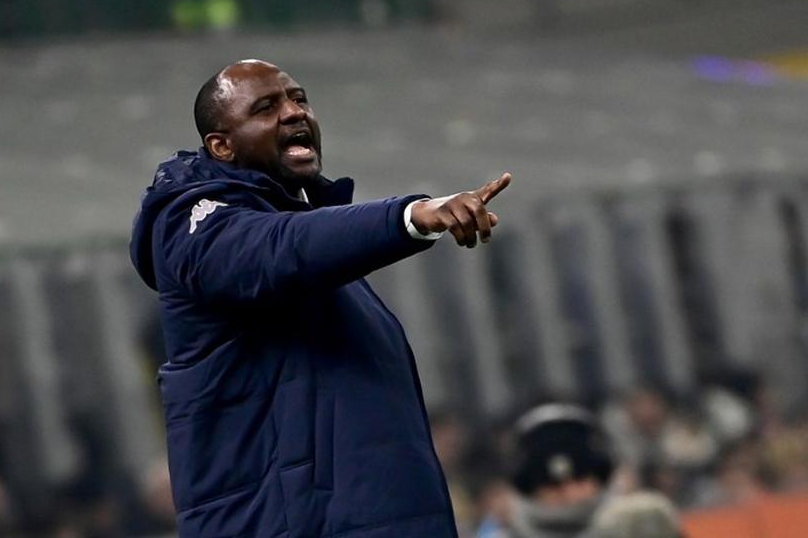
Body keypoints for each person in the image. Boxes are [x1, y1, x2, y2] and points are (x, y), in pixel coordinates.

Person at [129, 59, 511, 537]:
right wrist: (410, 216)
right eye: (266, 108)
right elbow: (277, 249)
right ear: (221, 146)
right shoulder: (193, 225)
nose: (294, 113)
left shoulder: (321, 259)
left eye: (299, 99)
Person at [498, 404, 615, 538]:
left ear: (599, 480)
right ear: (531, 493)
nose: (572, 495)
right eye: (555, 487)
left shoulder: (633, 530)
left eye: (580, 480)